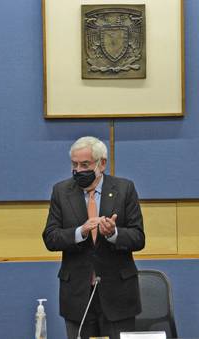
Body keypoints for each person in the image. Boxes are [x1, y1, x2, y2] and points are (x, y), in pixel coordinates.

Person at [43, 136, 145, 339]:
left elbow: (138, 237)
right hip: (77, 295)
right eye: (74, 164)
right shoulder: (61, 191)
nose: (79, 170)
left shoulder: (124, 189)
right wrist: (79, 232)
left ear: (102, 163)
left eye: (85, 164)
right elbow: (50, 237)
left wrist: (114, 234)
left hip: (118, 295)